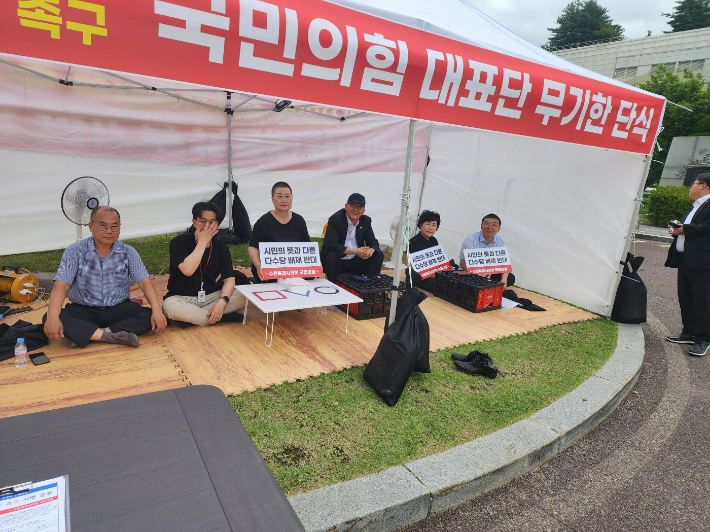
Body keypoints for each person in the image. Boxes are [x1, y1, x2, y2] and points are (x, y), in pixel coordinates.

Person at [43, 206, 167, 348]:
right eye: (103, 226)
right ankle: (112, 335)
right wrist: (53, 319)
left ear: (120, 227)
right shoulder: (75, 251)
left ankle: (93, 335)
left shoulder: (128, 252)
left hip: (118, 309)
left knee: (150, 315)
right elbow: (61, 286)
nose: (109, 231)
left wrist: (157, 312)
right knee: (49, 317)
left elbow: (145, 283)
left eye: (114, 226)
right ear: (90, 226)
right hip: (84, 310)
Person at [162, 201, 249, 326]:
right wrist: (203, 241)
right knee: (169, 306)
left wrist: (222, 302)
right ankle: (220, 317)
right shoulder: (179, 242)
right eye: (203, 221)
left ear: (217, 224)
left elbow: (229, 279)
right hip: (182, 298)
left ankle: (195, 318)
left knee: (245, 296)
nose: (207, 226)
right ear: (194, 222)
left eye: (212, 222)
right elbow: (188, 270)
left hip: (210, 296)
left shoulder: (221, 248)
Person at [665, 174, 710, 356]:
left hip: (703, 262)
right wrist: (678, 228)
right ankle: (689, 332)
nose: (690, 187)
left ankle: (703, 339)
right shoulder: (697, 206)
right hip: (686, 260)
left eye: (693, 184)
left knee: (703, 301)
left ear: (703, 185)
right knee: (686, 297)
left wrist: (686, 229)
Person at [248, 182, 311, 282]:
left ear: (292, 198)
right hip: (271, 267)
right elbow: (253, 247)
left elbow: (307, 245)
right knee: (269, 278)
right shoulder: (263, 222)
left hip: (294, 265)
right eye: (280, 196)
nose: (284, 200)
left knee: (309, 275)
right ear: (272, 199)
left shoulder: (299, 220)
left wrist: (317, 263)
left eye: (287, 196)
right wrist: (258, 265)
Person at [321, 193, 383, 282]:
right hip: (339, 260)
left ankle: (370, 287)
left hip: (356, 260)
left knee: (378, 254)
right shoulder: (335, 219)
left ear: (363, 211)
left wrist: (370, 251)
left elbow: (373, 241)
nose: (356, 210)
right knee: (331, 256)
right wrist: (356, 251)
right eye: (353, 205)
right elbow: (330, 244)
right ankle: (332, 284)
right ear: (346, 206)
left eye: (359, 207)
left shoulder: (366, 221)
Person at [458, 213, 515, 287]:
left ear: (498, 229)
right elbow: (463, 264)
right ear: (481, 226)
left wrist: (503, 281)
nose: (489, 227)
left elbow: (504, 264)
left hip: (489, 272)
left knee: (510, 278)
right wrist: (479, 273)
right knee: (471, 280)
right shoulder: (470, 240)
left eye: (494, 225)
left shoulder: (501, 242)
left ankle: (489, 285)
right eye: (486, 224)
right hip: (470, 272)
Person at [406, 210, 441, 292]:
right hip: (419, 277)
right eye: (428, 224)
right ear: (421, 225)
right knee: (439, 287)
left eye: (434, 225)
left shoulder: (434, 241)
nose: (430, 228)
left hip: (433, 275)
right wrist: (430, 274)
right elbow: (412, 266)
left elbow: (437, 261)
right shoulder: (413, 242)